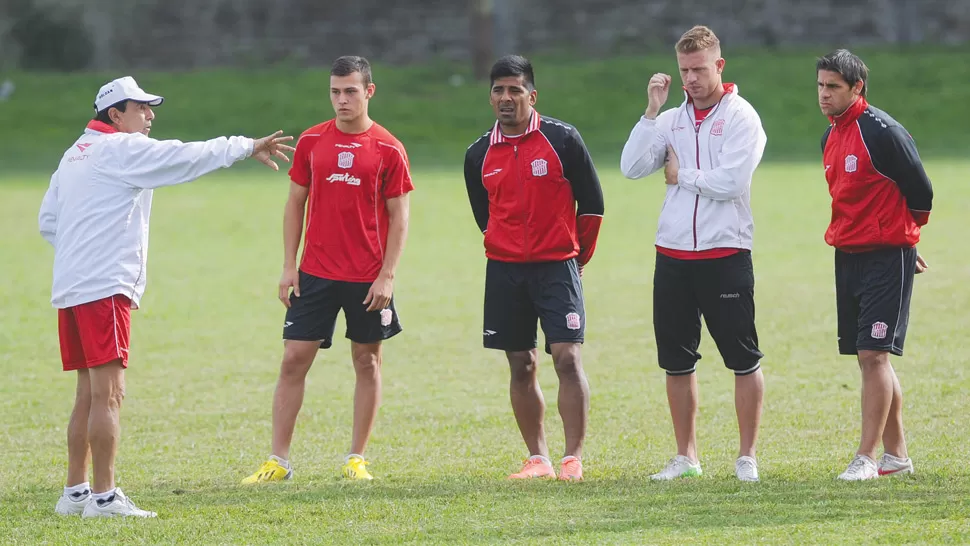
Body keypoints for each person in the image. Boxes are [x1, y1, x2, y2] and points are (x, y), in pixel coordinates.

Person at [40, 76, 294, 518]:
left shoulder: (75, 153)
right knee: (109, 395)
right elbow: (184, 156)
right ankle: (104, 497)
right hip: (103, 289)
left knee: (87, 393)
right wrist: (244, 145)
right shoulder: (121, 148)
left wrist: (81, 250)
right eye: (141, 108)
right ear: (115, 115)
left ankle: (75, 493)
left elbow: (48, 221)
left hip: (71, 286)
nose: (150, 115)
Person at [241, 56, 413, 484]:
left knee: (367, 361)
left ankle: (357, 458)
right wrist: (288, 266)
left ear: (369, 91)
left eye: (350, 91)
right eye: (335, 91)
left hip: (367, 277)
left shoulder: (389, 148)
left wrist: (388, 274)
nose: (342, 99)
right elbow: (295, 203)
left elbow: (401, 215)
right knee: (292, 360)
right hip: (315, 273)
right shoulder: (314, 141)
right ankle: (277, 461)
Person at [620, 25, 767, 482]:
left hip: (725, 253)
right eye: (685, 71)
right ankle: (686, 456)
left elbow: (731, 183)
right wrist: (651, 111)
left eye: (700, 69)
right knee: (677, 360)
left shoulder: (742, 116)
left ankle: (746, 456)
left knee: (743, 359)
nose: (692, 79)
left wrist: (682, 175)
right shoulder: (670, 120)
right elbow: (631, 167)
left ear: (719, 66)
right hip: (673, 255)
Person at [464, 55, 605, 481]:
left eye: (515, 90)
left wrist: (577, 257)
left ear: (532, 94)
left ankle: (572, 458)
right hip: (505, 271)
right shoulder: (477, 154)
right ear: (490, 96)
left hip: (557, 266)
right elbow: (484, 216)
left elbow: (593, 205)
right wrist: (507, 245)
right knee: (520, 363)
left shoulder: (562, 140)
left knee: (566, 357)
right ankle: (538, 459)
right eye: (498, 90)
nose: (506, 98)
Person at [815, 49, 933, 481]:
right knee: (868, 359)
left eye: (834, 87)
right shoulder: (829, 137)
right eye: (821, 86)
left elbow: (921, 193)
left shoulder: (883, 132)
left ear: (857, 88)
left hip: (886, 254)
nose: (824, 95)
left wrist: (902, 238)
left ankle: (865, 457)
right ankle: (896, 456)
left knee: (874, 354)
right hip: (847, 254)